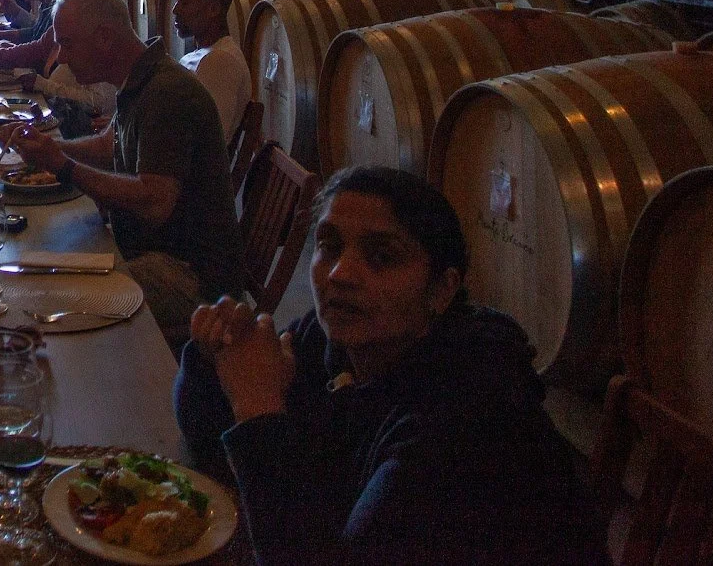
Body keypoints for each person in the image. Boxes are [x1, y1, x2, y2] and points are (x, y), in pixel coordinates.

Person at [175, 166, 608, 566]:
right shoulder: (333, 339)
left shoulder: (465, 426)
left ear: (442, 290)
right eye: (329, 246)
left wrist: (258, 408)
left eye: (381, 257)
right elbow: (207, 442)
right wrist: (214, 359)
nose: (340, 274)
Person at [10, 0, 245, 349]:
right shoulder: (142, 76)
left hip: (190, 276)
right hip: (150, 251)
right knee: (37, 266)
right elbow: (110, 145)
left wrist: (63, 167)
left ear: (104, 38)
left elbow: (155, 202)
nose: (63, 59)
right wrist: (51, 149)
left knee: (48, 296)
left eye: (68, 44)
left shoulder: (167, 92)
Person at [171, 0, 251, 138]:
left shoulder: (221, 61)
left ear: (213, 9)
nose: (175, 10)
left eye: (184, 2)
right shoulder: (206, 54)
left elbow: (205, 140)